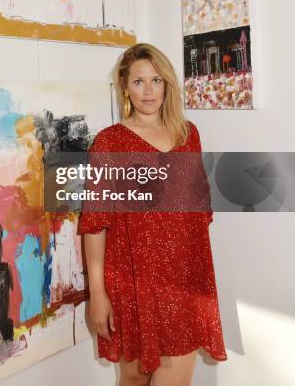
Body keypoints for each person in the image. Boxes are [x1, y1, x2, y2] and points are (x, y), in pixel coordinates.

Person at [77, 43, 227, 386]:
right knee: (132, 380)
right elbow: (95, 225)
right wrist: (97, 295)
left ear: (167, 84)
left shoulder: (188, 136)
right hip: (129, 281)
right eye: (139, 82)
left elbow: (196, 218)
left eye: (156, 80)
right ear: (125, 87)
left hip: (181, 283)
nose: (148, 91)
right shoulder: (109, 143)